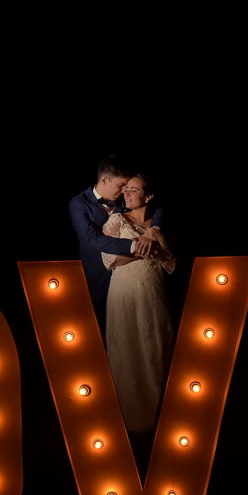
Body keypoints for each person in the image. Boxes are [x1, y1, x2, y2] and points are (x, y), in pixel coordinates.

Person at [101, 173, 175, 438]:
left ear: (149, 195)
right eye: (126, 190)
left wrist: (159, 249)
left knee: (155, 345)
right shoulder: (116, 221)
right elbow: (109, 260)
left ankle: (161, 418)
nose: (127, 194)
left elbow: (171, 264)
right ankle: (130, 422)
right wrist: (138, 251)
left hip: (153, 291)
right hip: (124, 292)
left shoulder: (158, 225)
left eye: (134, 190)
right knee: (127, 347)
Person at [68, 155, 159, 333]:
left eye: (127, 187)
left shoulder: (124, 200)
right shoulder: (79, 204)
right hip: (97, 278)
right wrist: (134, 246)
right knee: (101, 332)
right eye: (121, 185)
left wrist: (155, 229)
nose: (125, 190)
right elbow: (92, 240)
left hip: (129, 280)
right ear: (104, 180)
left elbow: (157, 209)